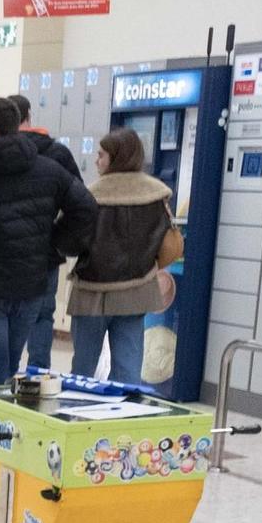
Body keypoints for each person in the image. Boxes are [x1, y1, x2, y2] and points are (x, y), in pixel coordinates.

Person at [0, 97, 97, 387]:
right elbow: (86, 207)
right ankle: (11, 426)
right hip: (31, 284)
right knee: (11, 365)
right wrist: (55, 243)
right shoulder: (49, 169)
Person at [67, 128, 173, 385]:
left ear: (116, 158)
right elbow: (168, 243)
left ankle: (78, 418)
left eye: (101, 155)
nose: (96, 160)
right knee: (128, 371)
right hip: (136, 293)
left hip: (93, 294)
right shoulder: (157, 195)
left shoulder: (89, 195)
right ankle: (123, 421)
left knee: (83, 370)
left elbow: (69, 242)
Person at [6, 94, 83, 374]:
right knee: (41, 314)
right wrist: (60, 238)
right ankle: (37, 375)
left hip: (4, 252)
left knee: (4, 314)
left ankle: (4, 376)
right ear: (29, 117)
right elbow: (81, 203)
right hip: (45, 250)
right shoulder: (57, 153)